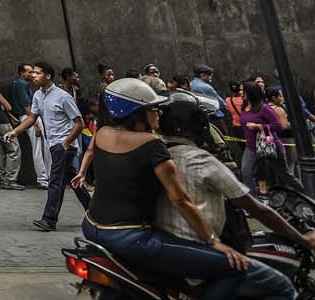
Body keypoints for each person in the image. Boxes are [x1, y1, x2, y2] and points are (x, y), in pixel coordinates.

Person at [80, 78, 250, 299]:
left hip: (92, 227)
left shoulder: (102, 134)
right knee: (233, 268)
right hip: (131, 238)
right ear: (137, 112)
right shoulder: (151, 144)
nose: (158, 114)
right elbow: (180, 200)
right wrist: (212, 241)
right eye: (152, 109)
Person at [154, 89, 315, 300]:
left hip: (168, 250)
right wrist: (304, 240)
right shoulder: (200, 161)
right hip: (199, 250)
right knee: (281, 286)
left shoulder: (156, 155)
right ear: (195, 124)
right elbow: (257, 209)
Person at [5, 61, 88, 231]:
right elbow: (31, 118)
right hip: (53, 144)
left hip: (64, 146)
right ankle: (95, 211)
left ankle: (49, 219)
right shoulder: (38, 96)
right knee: (73, 180)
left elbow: (80, 124)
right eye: (33, 73)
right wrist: (15, 132)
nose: (33, 75)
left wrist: (65, 143)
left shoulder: (63, 97)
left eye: (37, 73)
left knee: (55, 181)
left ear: (48, 76)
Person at [9, 62, 46, 188]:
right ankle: (43, 179)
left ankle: (43, 178)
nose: (32, 74)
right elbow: (26, 106)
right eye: (29, 72)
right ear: (22, 73)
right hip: (29, 117)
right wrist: (35, 124)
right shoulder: (22, 84)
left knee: (39, 148)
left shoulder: (17, 83)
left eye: (33, 72)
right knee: (39, 149)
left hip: (26, 117)